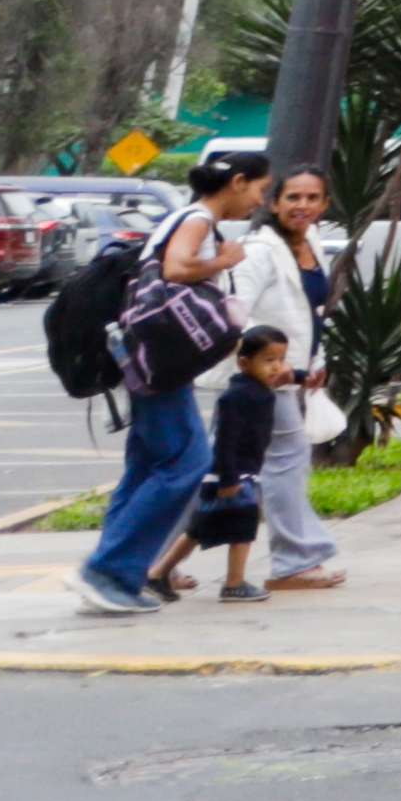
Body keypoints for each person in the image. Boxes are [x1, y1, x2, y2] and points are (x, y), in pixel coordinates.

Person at [77, 147, 284, 617]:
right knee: (187, 463)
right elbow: (176, 268)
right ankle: (108, 570)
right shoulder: (197, 220)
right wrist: (223, 260)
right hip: (159, 365)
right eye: (259, 189)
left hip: (151, 362)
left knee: (146, 469)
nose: (259, 200)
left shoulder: (194, 219)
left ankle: (116, 575)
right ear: (237, 183)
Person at [245, 170, 346, 589]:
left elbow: (311, 313)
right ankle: (293, 561)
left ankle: (155, 560)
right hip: (263, 378)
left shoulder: (312, 244)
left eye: (312, 197)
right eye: (292, 197)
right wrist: (269, 361)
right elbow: (237, 311)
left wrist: (315, 361)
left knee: (214, 471)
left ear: (324, 204)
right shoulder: (259, 250)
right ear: (273, 203)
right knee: (286, 462)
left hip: (291, 375)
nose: (302, 205)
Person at [192, 330, 290, 602]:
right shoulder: (236, 397)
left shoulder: (258, 391)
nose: (276, 367)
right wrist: (229, 478)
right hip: (234, 475)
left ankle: (159, 573)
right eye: (268, 360)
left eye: (281, 359)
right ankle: (234, 584)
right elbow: (225, 441)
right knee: (244, 528)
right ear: (244, 363)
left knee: (198, 528)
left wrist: (302, 375)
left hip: (238, 473)